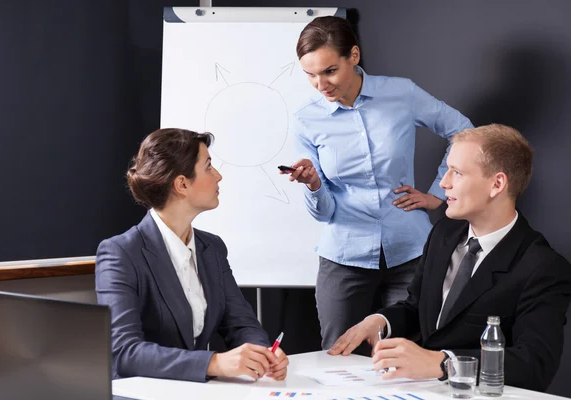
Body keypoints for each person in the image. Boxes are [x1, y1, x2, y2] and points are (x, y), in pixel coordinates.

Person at [328, 124, 571, 392]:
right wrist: (380, 321)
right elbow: (417, 306)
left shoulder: (543, 267)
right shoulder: (444, 232)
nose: (444, 183)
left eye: (457, 172)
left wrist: (443, 363)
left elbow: (534, 363)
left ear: (497, 184)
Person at [281, 15, 474, 352]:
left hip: (410, 250)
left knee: (405, 357)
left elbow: (464, 132)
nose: (321, 85)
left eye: (329, 71)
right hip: (344, 256)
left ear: (353, 56)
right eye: (310, 75)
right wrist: (313, 185)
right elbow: (324, 212)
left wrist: (436, 195)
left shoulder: (401, 93)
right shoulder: (305, 119)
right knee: (339, 356)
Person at [95, 128, 289, 383]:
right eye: (208, 167)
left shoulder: (213, 248)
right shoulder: (121, 252)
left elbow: (241, 324)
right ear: (182, 184)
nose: (218, 176)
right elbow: (124, 352)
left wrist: (260, 354)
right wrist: (214, 362)